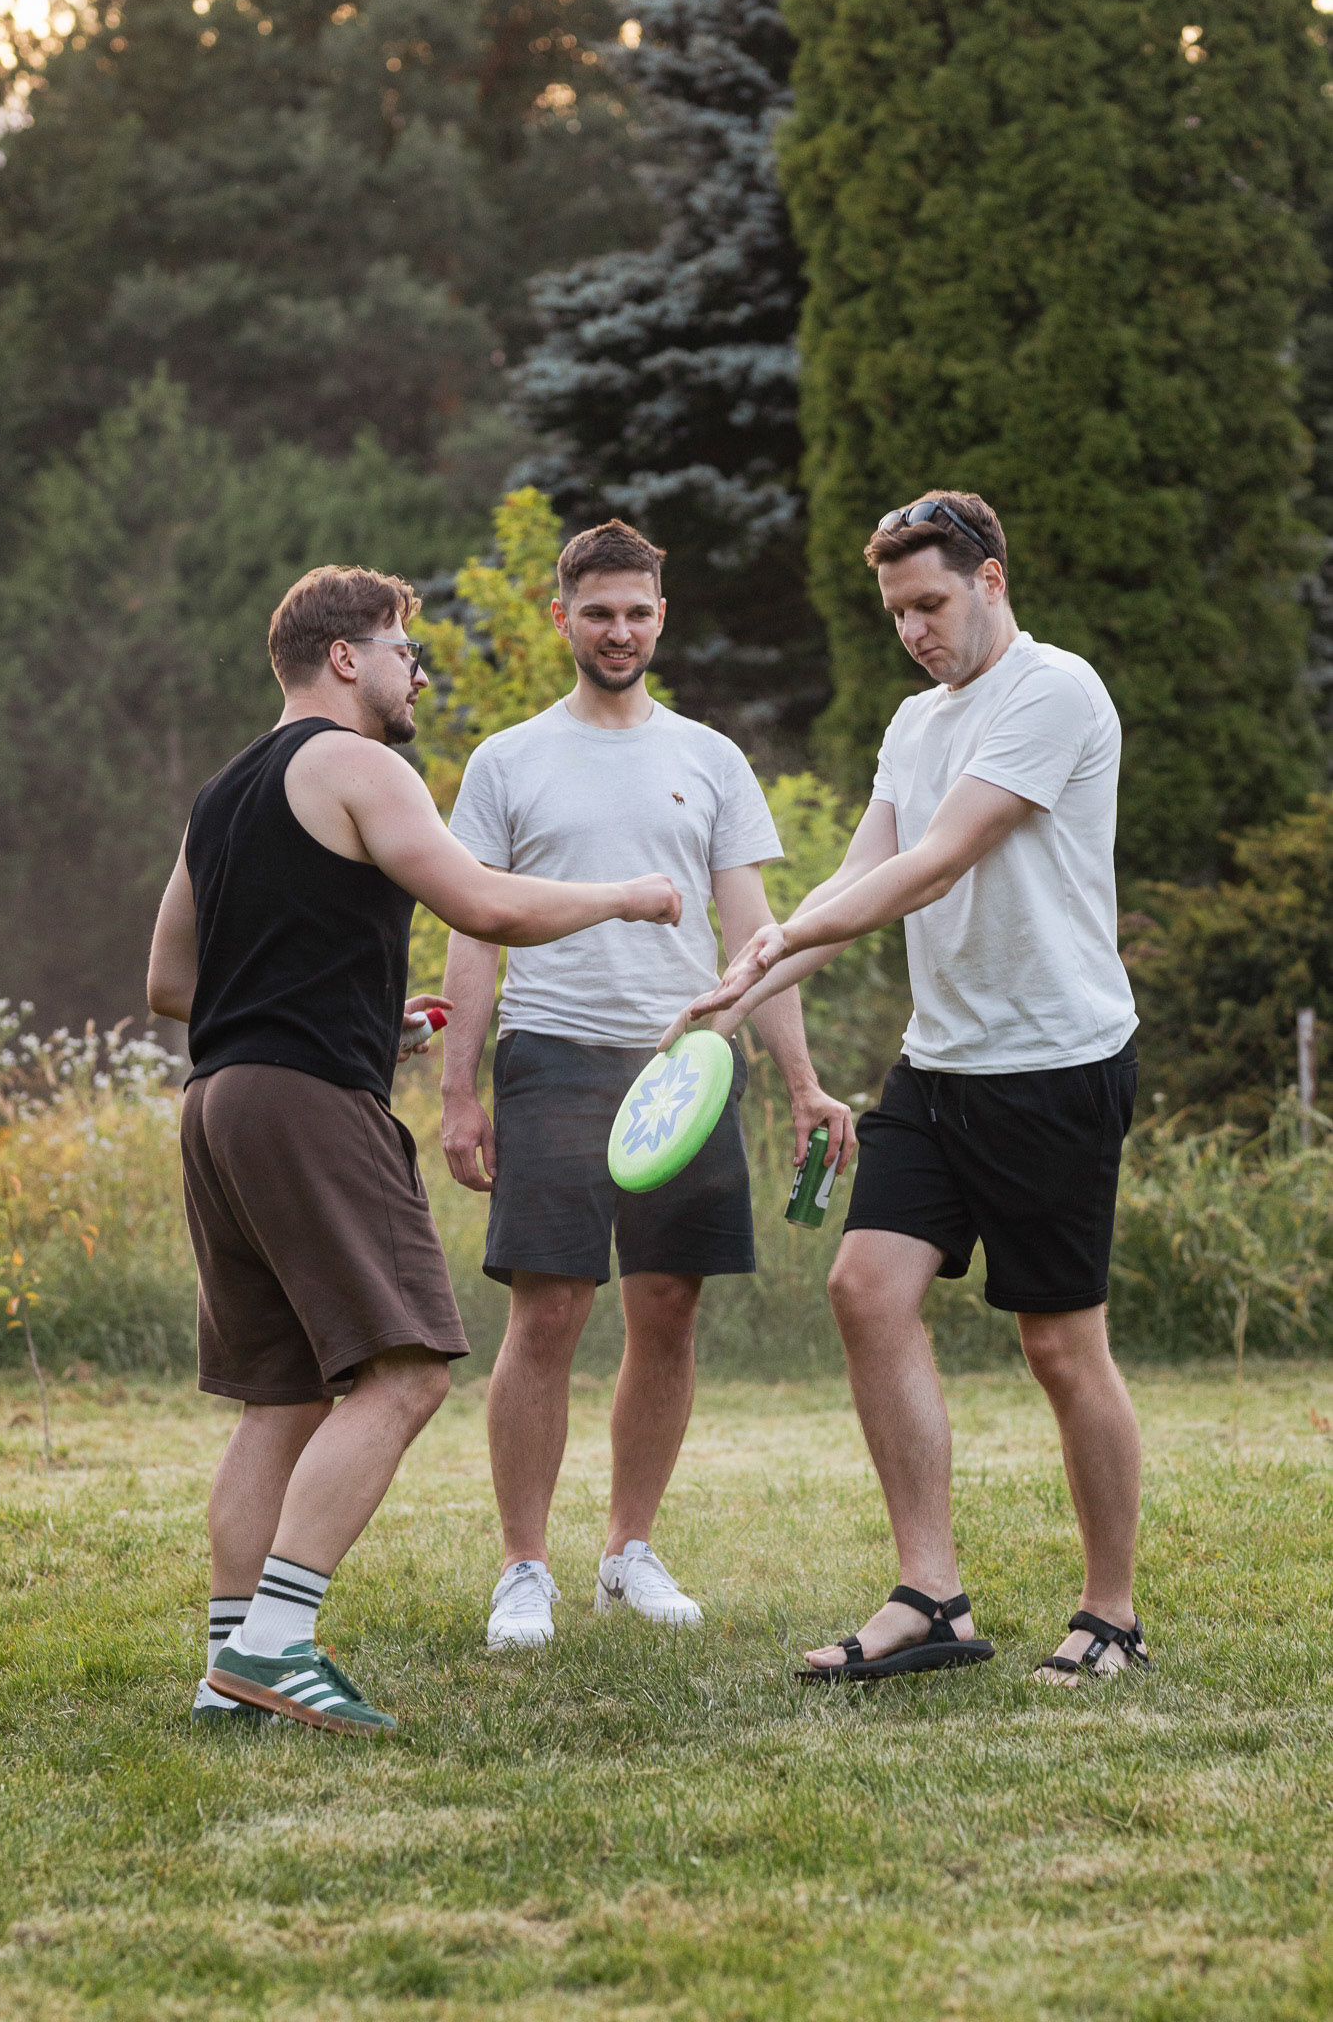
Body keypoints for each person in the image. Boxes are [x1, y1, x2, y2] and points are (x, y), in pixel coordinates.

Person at [147, 563, 680, 1735]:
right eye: (403, 649)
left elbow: (171, 980)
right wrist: (626, 895)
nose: (419, 673)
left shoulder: (221, 792)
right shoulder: (357, 762)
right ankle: (278, 1643)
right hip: (307, 1104)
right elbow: (482, 904)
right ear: (346, 657)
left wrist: (344, 1007)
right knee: (406, 1373)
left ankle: (225, 1666)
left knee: (281, 1396)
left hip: (221, 1099)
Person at [669, 492, 1147, 1687]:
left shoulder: (1054, 690)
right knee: (865, 1286)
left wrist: (782, 943)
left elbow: (935, 866)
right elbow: (861, 869)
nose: (914, 630)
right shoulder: (912, 719)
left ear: (991, 579)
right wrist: (740, 985)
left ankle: (1112, 1613)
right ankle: (930, 1594)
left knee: (1060, 1344)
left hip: (1055, 1063)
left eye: (930, 603)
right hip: (940, 1063)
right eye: (896, 612)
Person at [440, 520, 854, 1651]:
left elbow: (756, 933)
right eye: (598, 613)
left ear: (661, 618)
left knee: (667, 1308)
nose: (618, 631)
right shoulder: (507, 760)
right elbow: (474, 927)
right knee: (549, 1310)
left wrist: (802, 1081)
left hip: (686, 1066)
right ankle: (524, 1566)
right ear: (562, 617)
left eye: (637, 612)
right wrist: (459, 1091)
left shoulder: (710, 758)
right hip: (553, 1053)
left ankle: (628, 1550)